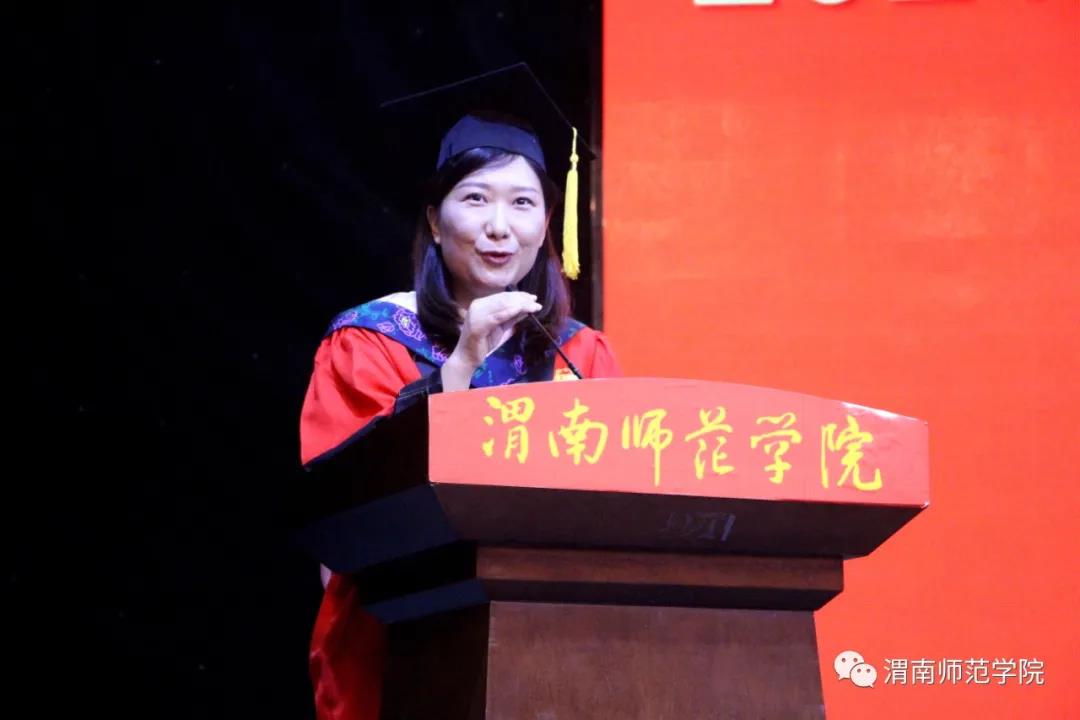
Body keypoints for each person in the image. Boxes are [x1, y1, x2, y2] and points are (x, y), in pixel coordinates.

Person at [298, 64, 620, 719]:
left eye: (523, 203)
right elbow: (349, 507)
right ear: (436, 222)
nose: (500, 226)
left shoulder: (582, 355)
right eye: (475, 198)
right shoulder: (371, 342)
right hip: (397, 648)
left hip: (551, 648)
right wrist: (460, 368)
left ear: (547, 225)